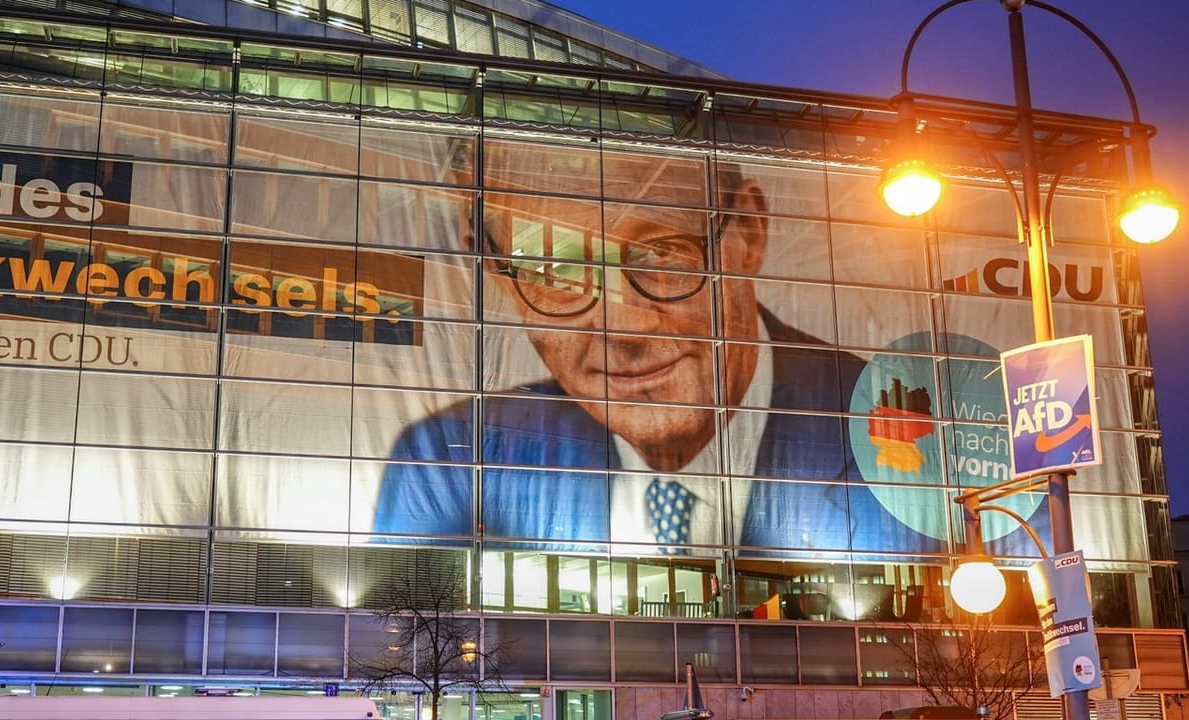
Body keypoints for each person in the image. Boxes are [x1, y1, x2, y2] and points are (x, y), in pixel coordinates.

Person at [370, 150, 1038, 557]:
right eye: (554, 271)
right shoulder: (449, 462)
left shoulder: (920, 445)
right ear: (500, 280)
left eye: (661, 256)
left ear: (747, 231)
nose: (623, 326)